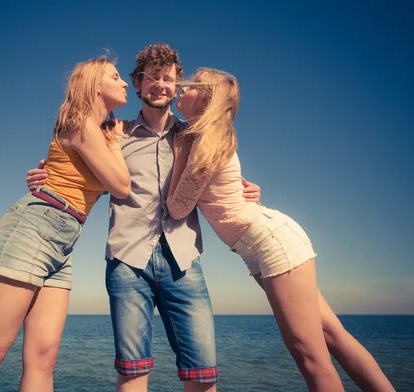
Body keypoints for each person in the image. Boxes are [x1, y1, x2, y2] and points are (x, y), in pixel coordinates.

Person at [26, 43, 261, 392]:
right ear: (137, 85)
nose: (160, 85)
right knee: (132, 374)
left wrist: (250, 192)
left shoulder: (195, 136)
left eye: (168, 79)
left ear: (178, 85)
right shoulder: (112, 134)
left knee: (203, 375)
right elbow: (74, 168)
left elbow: (221, 185)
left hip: (184, 262)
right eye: (151, 78)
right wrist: (42, 176)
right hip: (126, 262)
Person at [167, 68, 395, 392]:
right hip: (260, 244)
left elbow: (178, 207)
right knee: (332, 338)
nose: (179, 90)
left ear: (204, 98)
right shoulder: (209, 137)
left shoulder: (205, 142)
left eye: (187, 86)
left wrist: (178, 154)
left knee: (310, 357)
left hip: (271, 242)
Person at [0, 56, 130, 392]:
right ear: (93, 84)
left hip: (63, 241)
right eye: (116, 76)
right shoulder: (80, 122)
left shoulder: (101, 132)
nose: (124, 83)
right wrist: (116, 145)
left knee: (43, 357)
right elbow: (121, 186)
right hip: (35, 227)